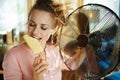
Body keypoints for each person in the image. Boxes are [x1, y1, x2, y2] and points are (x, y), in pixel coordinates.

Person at [2, 0, 68, 80]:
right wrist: (37, 77)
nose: (35, 31)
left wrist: (84, 50)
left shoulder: (55, 50)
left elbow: (71, 65)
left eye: (43, 27)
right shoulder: (13, 56)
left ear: (54, 30)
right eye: (32, 24)